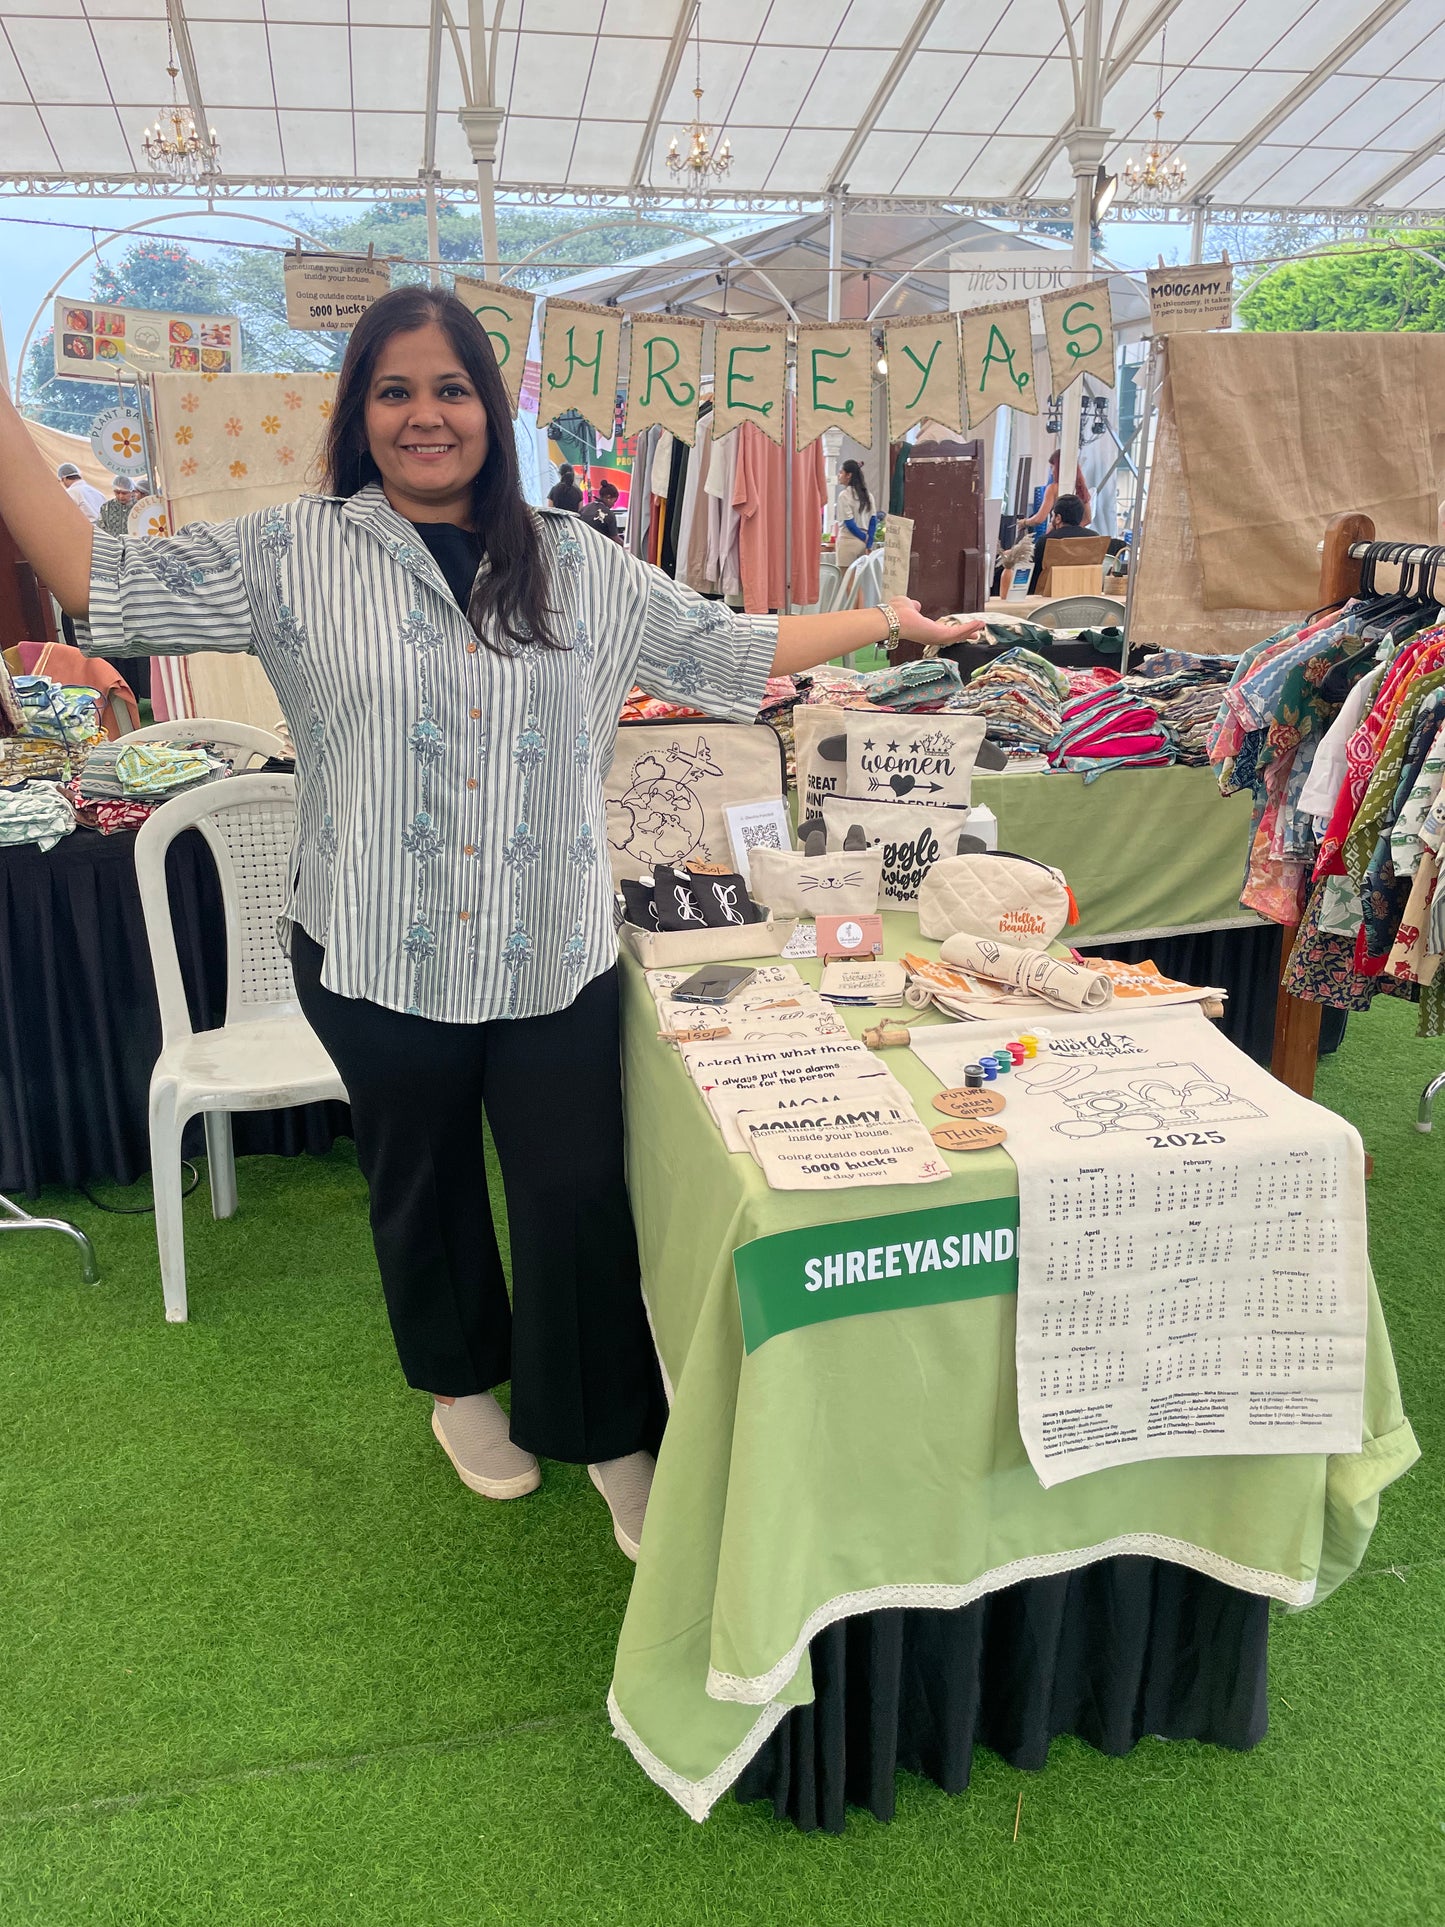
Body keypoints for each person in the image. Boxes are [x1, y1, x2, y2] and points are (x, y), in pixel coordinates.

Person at [0, 285, 980, 1561]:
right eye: (395, 389)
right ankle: (461, 1389)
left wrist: (887, 621)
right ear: (358, 411)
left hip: (548, 944)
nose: (425, 415)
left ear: (490, 410)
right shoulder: (291, 552)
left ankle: (604, 1423)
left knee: (574, 1191)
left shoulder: (572, 557)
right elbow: (92, 571)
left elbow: (727, 647)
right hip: (371, 938)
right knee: (423, 1179)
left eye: (451, 388)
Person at [1027, 492, 1100, 593]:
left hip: (1048, 598)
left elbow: (1034, 574)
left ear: (1058, 518)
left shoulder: (1048, 541)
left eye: (1052, 516)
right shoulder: (1094, 538)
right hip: (1084, 595)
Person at [834, 459, 878, 572]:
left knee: (848, 583)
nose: (839, 475)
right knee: (857, 582)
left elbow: (849, 523)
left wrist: (864, 538)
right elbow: (873, 520)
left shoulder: (844, 495)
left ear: (849, 475)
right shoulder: (868, 495)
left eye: (841, 472)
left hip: (848, 541)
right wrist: (868, 542)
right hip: (863, 543)